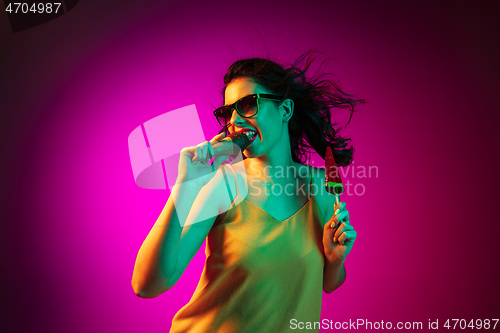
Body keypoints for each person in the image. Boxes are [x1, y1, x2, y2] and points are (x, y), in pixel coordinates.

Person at [131, 51, 363, 332]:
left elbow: (327, 284)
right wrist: (185, 187)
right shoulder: (224, 186)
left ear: (285, 110)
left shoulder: (324, 188)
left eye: (248, 104)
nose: (235, 120)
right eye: (228, 111)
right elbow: (147, 285)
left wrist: (336, 260)